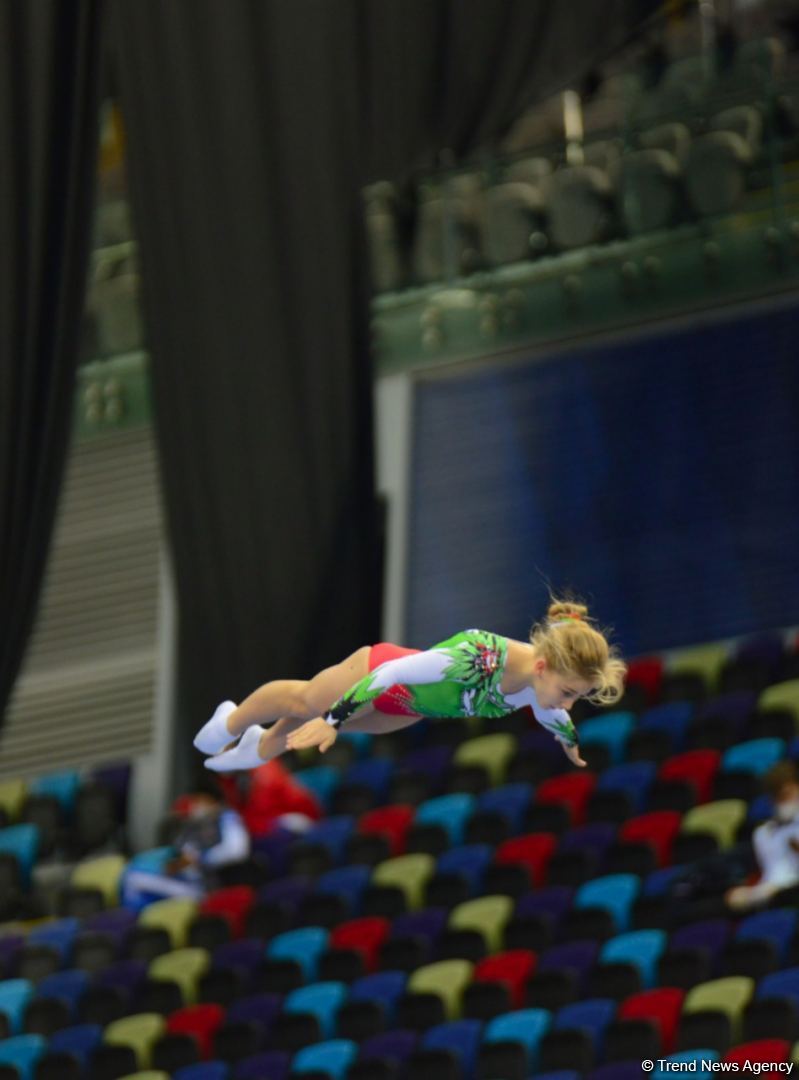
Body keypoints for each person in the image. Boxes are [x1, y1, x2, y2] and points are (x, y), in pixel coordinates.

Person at [194, 599, 627, 773]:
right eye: (570, 692)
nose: (568, 702)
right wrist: (335, 718)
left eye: (577, 696)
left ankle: (259, 745)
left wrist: (568, 741)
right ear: (543, 666)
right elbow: (390, 677)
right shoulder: (479, 658)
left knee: (302, 729)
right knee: (306, 700)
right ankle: (230, 721)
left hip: (410, 709)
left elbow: (550, 710)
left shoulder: (543, 684)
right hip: (382, 672)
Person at [725, 761, 799, 912]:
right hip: (772, 889)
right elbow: (771, 874)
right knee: (733, 898)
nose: (784, 801)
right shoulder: (763, 833)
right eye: (778, 797)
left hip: (793, 887)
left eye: (788, 793)